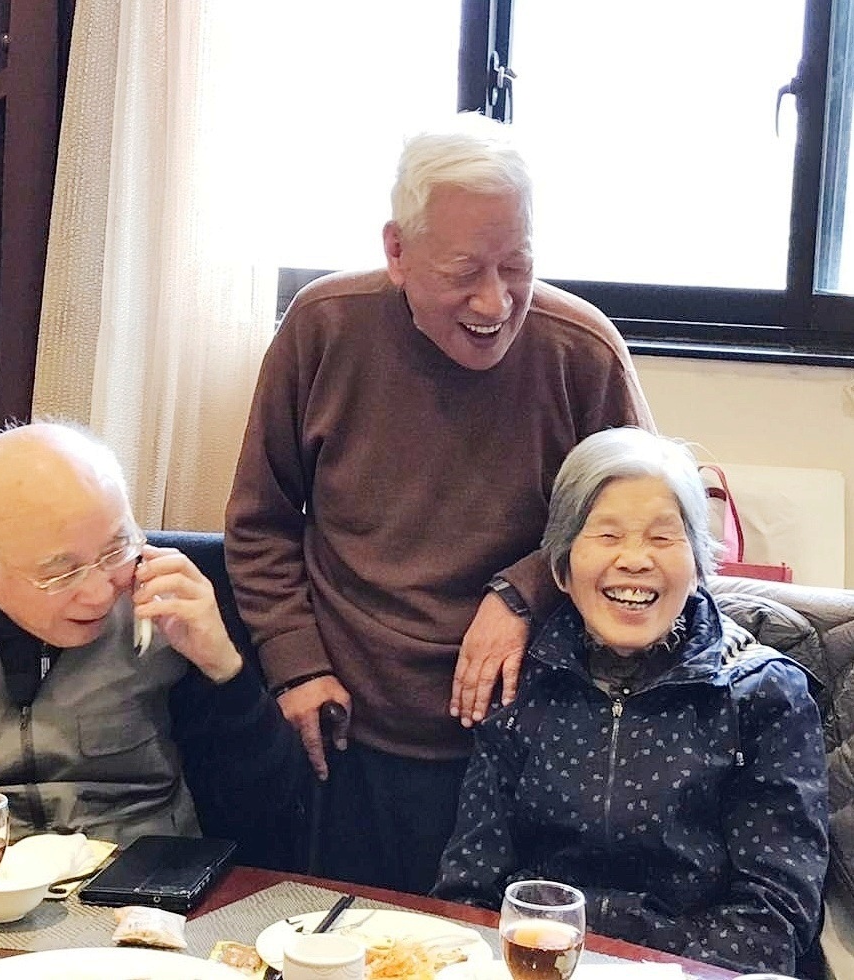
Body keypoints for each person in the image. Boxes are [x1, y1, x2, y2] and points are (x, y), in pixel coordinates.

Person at [224, 113, 654, 893]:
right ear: (397, 251)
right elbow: (260, 523)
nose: (495, 301)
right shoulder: (324, 326)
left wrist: (524, 591)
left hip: (528, 736)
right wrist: (295, 665)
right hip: (347, 724)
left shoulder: (581, 352)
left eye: (516, 265)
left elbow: (646, 537)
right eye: (464, 271)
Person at [433, 427, 829, 976]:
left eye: (663, 538)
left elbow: (774, 916)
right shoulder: (523, 684)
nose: (635, 560)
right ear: (561, 568)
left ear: (697, 565)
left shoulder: (763, 694)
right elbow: (470, 886)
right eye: (607, 535)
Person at [0, 421, 306, 848]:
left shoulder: (175, 599)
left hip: (144, 894)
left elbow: (270, 822)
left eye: (116, 549)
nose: (99, 593)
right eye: (60, 572)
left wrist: (224, 668)